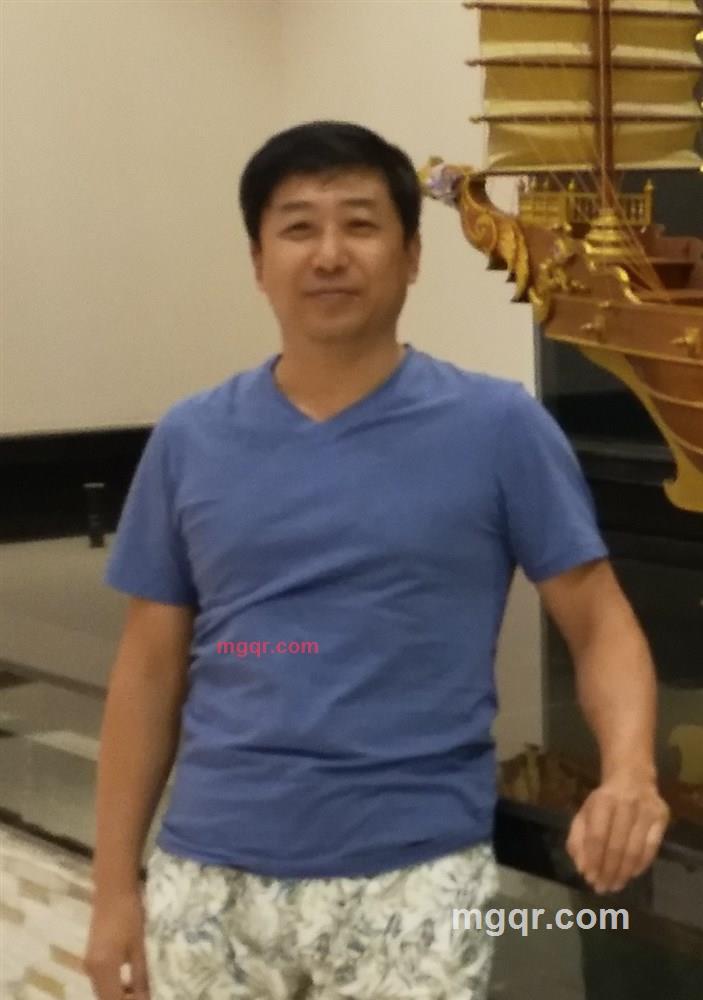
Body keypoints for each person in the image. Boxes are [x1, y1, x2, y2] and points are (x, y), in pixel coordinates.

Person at [84, 121, 670, 1000]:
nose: (329, 254)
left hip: (415, 877)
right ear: (258, 262)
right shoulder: (189, 438)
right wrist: (111, 891)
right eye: (298, 227)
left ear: (411, 256)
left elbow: (600, 624)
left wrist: (630, 773)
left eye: (359, 224)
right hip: (208, 877)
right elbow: (147, 670)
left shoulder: (498, 427)